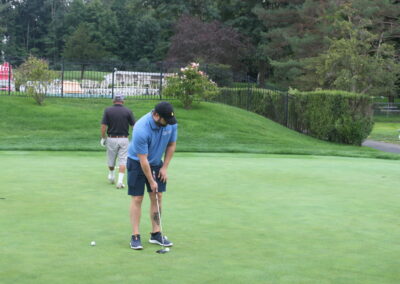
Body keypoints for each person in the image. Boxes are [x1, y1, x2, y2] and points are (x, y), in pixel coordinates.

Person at [127, 101, 177, 250]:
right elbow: (143, 159)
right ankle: (135, 236)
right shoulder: (141, 128)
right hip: (137, 162)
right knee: (137, 198)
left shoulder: (171, 123)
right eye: (165, 120)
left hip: (156, 162)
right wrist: (151, 180)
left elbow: (171, 145)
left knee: (157, 195)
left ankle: (156, 233)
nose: (168, 123)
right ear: (156, 115)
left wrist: (165, 167)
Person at [100, 94, 135, 189]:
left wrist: (103, 137)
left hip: (111, 138)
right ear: (123, 101)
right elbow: (134, 127)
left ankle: (111, 175)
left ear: (113, 101)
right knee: (123, 160)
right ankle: (120, 181)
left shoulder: (108, 110)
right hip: (124, 139)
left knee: (111, 158)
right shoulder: (128, 111)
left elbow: (103, 126)